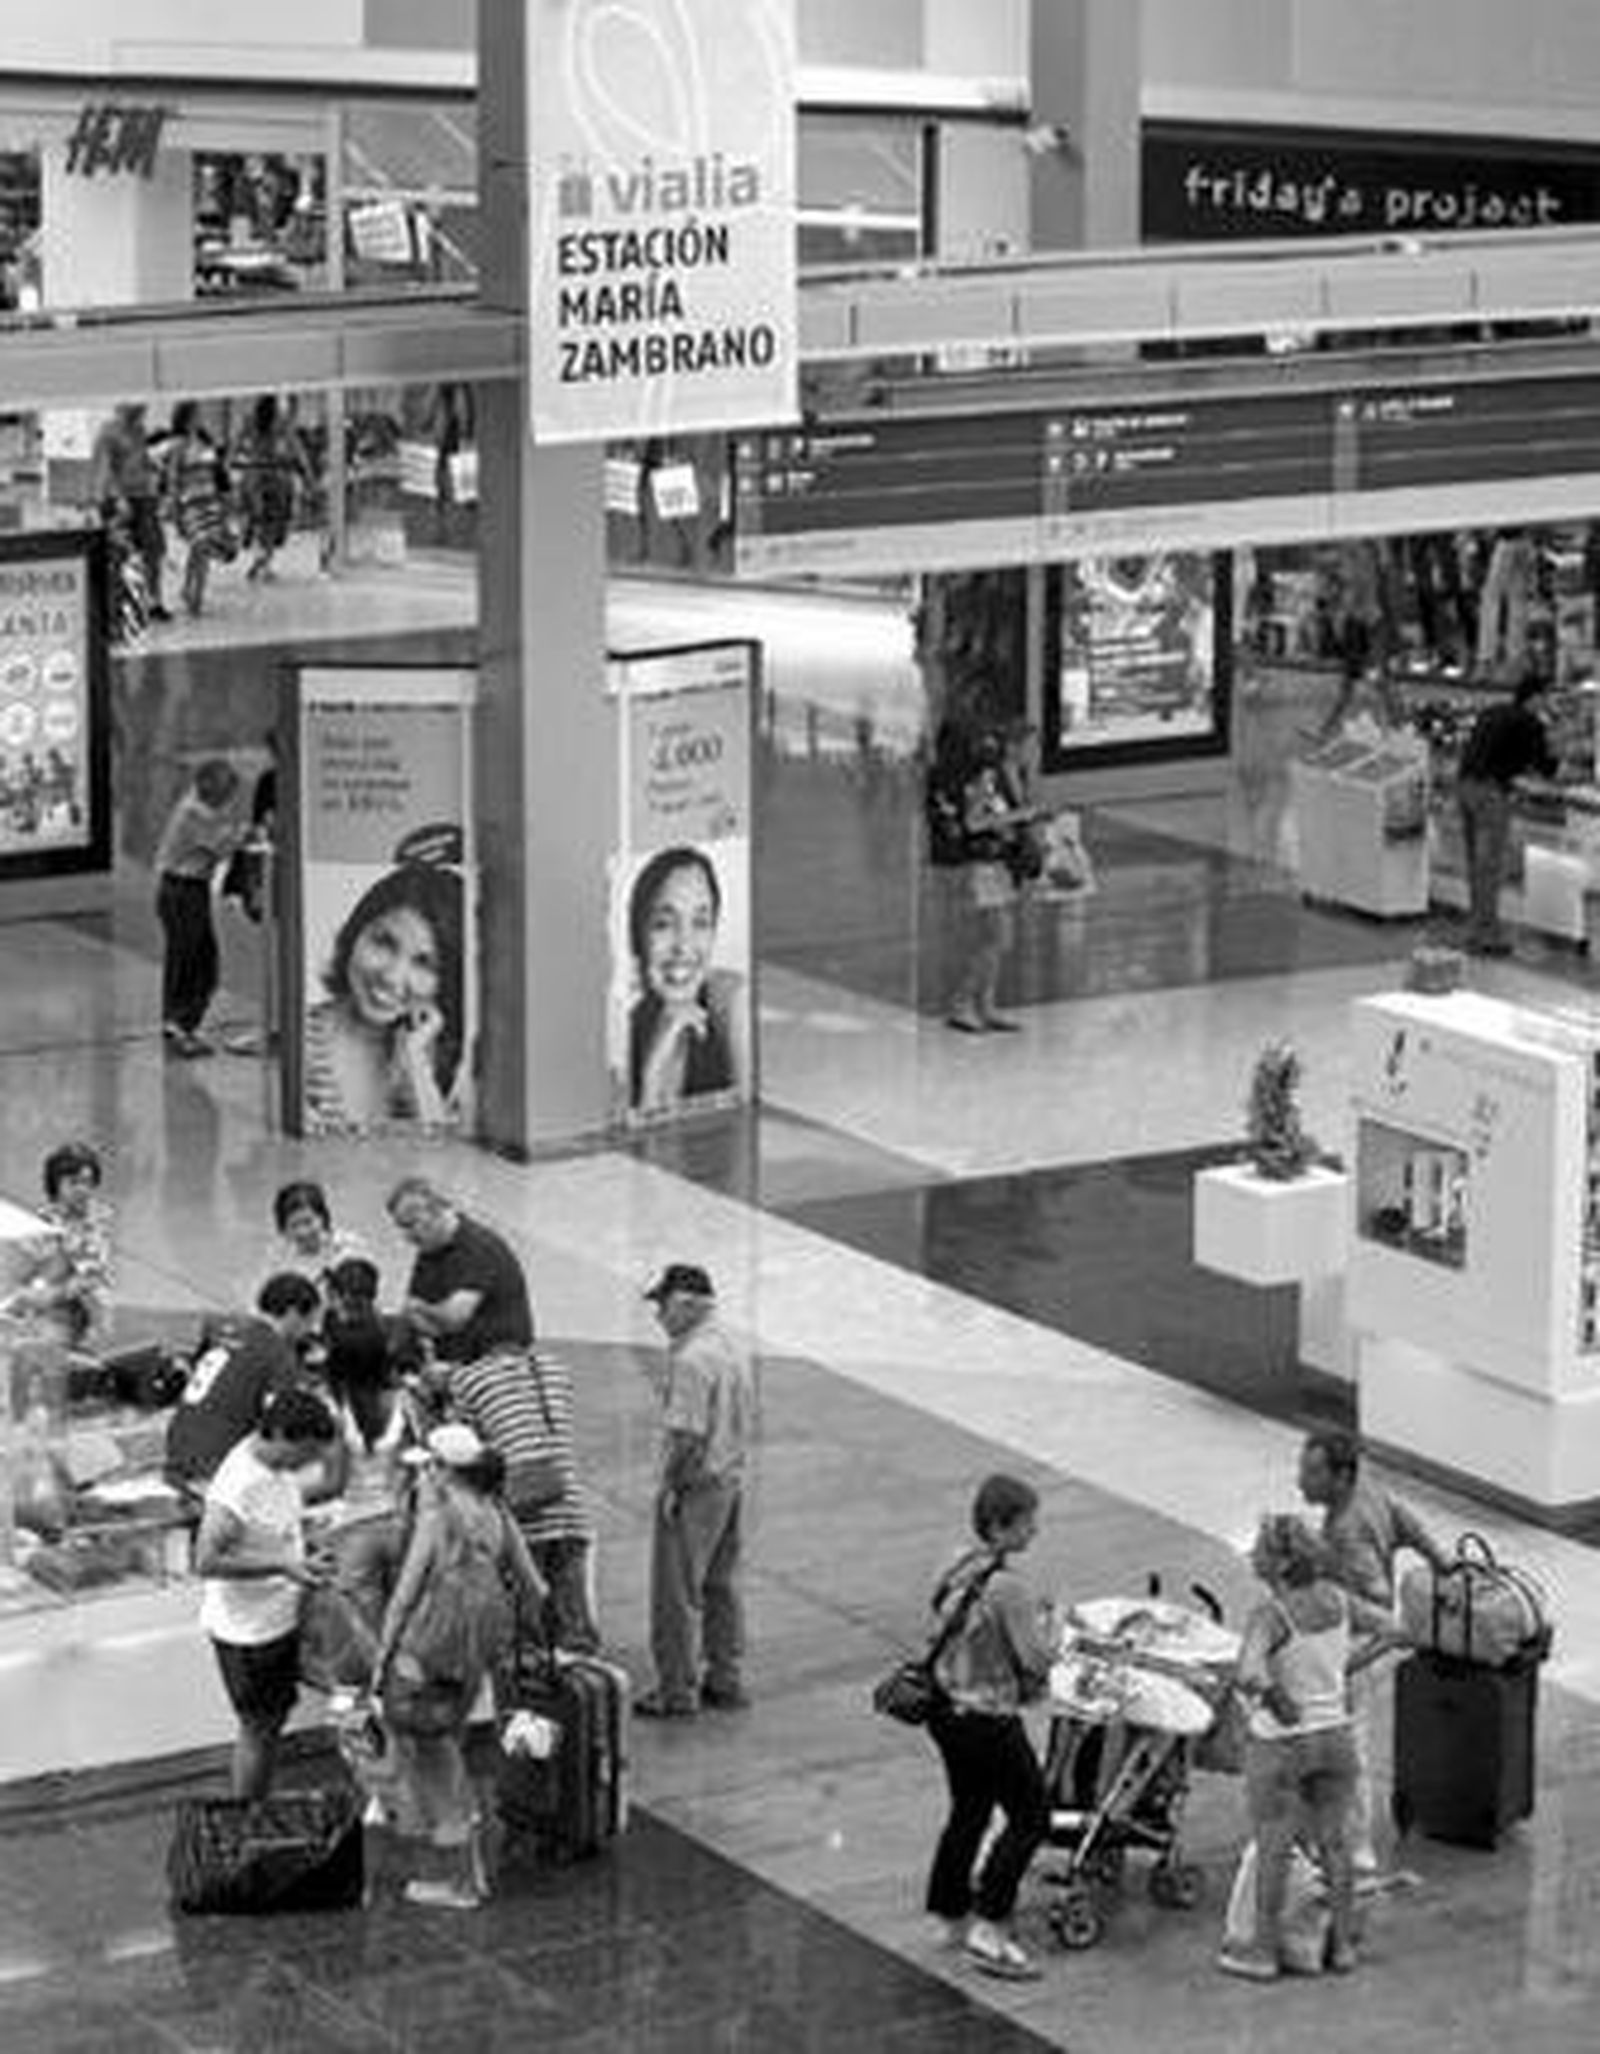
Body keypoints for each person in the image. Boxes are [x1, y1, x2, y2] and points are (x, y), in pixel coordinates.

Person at [372, 1422, 547, 1908]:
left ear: (441, 1470)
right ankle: (466, 1870)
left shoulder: (439, 1517)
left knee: (438, 1770)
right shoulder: (497, 1514)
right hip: (471, 1659)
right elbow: (536, 1588)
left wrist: (382, 1654)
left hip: (423, 1658)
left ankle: (460, 1885)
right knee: (447, 1752)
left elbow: (404, 1596)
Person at [1218, 1513, 1371, 1982]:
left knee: (1274, 1847)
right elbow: (1395, 1629)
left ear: (1280, 1564)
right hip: (1336, 1737)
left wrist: (1276, 1697)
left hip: (1283, 1746)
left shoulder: (1271, 1614)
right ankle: (1343, 1946)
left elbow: (1248, 1672)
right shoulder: (1339, 1601)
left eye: (1260, 1549)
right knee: (1336, 1843)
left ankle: (1262, 1953)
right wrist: (1341, 1670)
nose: (1252, 1556)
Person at [1298, 1428, 1449, 1879]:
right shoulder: (1367, 1491)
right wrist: (1440, 1560)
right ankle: (1327, 1834)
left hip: (1365, 1644)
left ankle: (1356, 1850)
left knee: (1348, 1746)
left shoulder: (1345, 1533)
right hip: (1365, 1637)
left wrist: (1333, 1598)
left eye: (1311, 1472)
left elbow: (1377, 1599)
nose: (1300, 1481)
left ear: (1341, 1476)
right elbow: (1406, 1522)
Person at [923, 1472, 1055, 1982]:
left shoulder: (958, 1564)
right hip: (988, 1716)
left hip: (945, 1709)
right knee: (1030, 1814)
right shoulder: (1008, 1588)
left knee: (970, 1807)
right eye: (1027, 1522)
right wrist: (1054, 1630)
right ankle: (992, 1925)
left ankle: (949, 1909)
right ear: (1000, 1526)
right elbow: (1036, 1659)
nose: (1035, 1531)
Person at [193, 1384, 339, 1799]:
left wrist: (304, 1546)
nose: (308, 1464)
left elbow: (276, 1528)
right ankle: (248, 1815)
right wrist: (283, 1565)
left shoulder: (275, 1468)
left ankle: (261, 1803)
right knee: (259, 1728)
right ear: (281, 1437)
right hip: (250, 1635)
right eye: (305, 1453)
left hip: (283, 1616)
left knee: (284, 1716)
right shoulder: (236, 1488)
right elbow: (205, 1561)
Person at [637, 1263, 754, 1718]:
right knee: (721, 1585)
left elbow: (687, 1435)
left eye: (662, 1306)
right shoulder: (730, 1344)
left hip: (697, 1487)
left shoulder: (691, 1359)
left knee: (676, 1593)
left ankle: (675, 1690)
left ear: (687, 1304)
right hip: (730, 1478)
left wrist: (671, 1485)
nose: (658, 1316)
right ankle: (725, 1676)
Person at [430, 1341, 599, 1654]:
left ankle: (541, 1693)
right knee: (575, 1623)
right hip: (571, 1506)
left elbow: (467, 1450)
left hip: (523, 1515)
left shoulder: (468, 1379)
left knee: (531, 1630)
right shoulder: (553, 1368)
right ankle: (586, 1687)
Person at [304, 855, 465, 1132]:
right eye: (384, 943)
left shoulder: (458, 1062)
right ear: (355, 934)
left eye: (424, 964)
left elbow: (442, 1160)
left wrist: (415, 1063)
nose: (392, 977)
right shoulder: (297, 1039)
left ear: (447, 980)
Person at [165, 1272, 326, 1495]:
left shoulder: (229, 1333)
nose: (312, 1330)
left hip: (177, 1456)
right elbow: (282, 1428)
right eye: (310, 1321)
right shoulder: (277, 1353)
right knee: (317, 1470)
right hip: (214, 1468)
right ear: (292, 1314)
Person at [625, 845, 749, 1117]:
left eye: (701, 922)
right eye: (664, 924)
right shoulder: (618, 1038)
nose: (684, 945)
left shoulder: (727, 1002)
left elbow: (747, 1123)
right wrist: (652, 1073)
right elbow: (633, 1154)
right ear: (637, 939)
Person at [946, 724, 1042, 1035]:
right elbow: (973, 822)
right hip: (985, 866)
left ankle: (986, 1005)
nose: (1034, 752)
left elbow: (1016, 818)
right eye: (1030, 745)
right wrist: (1019, 817)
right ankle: (962, 1002)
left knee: (999, 940)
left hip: (1003, 866)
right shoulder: (990, 777)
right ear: (1013, 746)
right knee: (998, 938)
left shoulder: (1018, 777)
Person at [1455, 669, 1557, 955]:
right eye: (1548, 697)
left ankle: (1475, 929)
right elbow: (1547, 768)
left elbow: (1498, 754)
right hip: (1489, 794)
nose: (1550, 703)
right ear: (1536, 698)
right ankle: (1487, 935)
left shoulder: (1494, 711)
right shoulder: (1530, 721)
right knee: (1490, 866)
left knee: (1477, 864)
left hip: (1464, 786)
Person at [153, 756, 247, 1057]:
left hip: (181, 890)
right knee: (198, 963)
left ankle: (177, 1024)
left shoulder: (192, 805)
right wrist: (245, 834)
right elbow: (219, 847)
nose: (230, 799)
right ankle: (182, 1025)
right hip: (184, 891)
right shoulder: (196, 812)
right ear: (212, 788)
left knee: (185, 959)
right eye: (228, 792)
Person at [388, 1177, 535, 1365]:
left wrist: (421, 1310)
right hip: (460, 1355)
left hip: (496, 1361)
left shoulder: (478, 1248)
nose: (406, 1237)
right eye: (401, 1227)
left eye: (410, 1225)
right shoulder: (429, 1250)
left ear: (435, 1212)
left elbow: (454, 1317)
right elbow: (418, 1317)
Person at [1, 1142, 114, 1350]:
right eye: (74, 1182)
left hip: (85, 1317)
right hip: (45, 1313)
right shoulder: (41, 1224)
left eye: (88, 1183)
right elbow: (22, 1277)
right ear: (56, 1184)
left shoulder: (98, 1219)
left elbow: (91, 1279)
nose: (83, 1190)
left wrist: (51, 1294)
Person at [90, 401, 168, 621]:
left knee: (154, 550)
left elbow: (140, 459)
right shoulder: (108, 432)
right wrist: (118, 498)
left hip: (144, 496)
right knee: (120, 553)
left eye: (144, 408)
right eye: (138, 408)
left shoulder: (139, 430)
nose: (143, 412)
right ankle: (117, 603)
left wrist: (154, 467)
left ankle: (154, 601)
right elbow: (105, 469)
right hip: (118, 500)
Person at [160, 400, 233, 618]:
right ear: (186, 417)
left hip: (209, 501)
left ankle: (190, 591)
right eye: (196, 414)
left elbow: (215, 472)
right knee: (201, 545)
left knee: (201, 549)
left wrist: (223, 500)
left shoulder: (204, 441)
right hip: (190, 503)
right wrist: (173, 507)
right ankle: (195, 599)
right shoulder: (178, 445)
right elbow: (172, 478)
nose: (199, 418)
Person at [232, 393, 307, 582]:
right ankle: (263, 562)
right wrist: (306, 472)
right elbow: (296, 448)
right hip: (276, 475)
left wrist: (231, 465)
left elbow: (235, 446)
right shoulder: (281, 422)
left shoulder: (249, 421)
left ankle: (260, 559)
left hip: (253, 474)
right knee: (272, 523)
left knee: (258, 521)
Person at [266, 1179, 368, 1292]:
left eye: (308, 1222)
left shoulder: (351, 1247)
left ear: (323, 1219)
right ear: (283, 1230)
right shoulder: (280, 1259)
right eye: (294, 1226)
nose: (303, 1232)